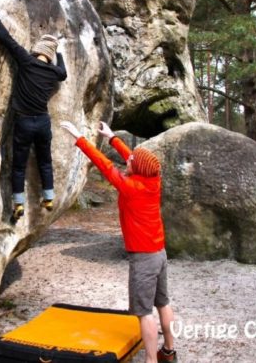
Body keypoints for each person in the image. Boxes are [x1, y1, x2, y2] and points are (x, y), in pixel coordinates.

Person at [60, 120, 177, 363]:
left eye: (131, 162)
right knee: (163, 303)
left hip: (144, 259)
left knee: (144, 313)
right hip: (159, 253)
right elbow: (135, 158)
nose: (129, 160)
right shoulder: (153, 179)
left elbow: (105, 166)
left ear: (137, 169)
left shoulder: (131, 187)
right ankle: (169, 350)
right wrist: (112, 137)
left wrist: (80, 138)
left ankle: (151, 360)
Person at [0, 6, 67, 222]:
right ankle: (48, 197)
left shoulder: (26, 62)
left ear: (36, 50)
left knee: (18, 166)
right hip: (43, 123)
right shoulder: (54, 72)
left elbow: (6, 39)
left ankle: (18, 204)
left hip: (24, 123)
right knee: (45, 161)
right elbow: (64, 73)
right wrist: (58, 52)